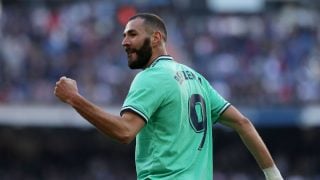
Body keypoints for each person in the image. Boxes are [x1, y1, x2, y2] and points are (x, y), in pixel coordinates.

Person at [54, 13, 283, 180]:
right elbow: (243, 123)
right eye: (124, 35)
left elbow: (124, 131)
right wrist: (273, 176)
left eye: (132, 34)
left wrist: (74, 99)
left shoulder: (151, 77)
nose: (124, 42)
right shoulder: (197, 79)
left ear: (156, 38)